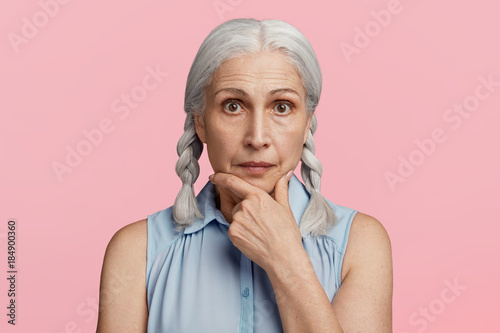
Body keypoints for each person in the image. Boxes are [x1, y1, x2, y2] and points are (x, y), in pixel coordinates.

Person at [96, 18, 393, 332]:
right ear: (199, 122)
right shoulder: (136, 252)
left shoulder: (359, 244)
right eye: (233, 105)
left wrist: (286, 259)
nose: (257, 137)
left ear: (307, 124)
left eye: (281, 107)